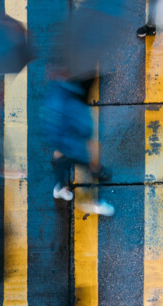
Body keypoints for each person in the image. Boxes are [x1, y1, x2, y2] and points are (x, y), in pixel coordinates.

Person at [42, 76, 115, 216]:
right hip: (74, 145)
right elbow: (84, 128)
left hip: (63, 142)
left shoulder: (58, 89)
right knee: (92, 167)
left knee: (62, 159)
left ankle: (58, 187)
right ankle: (94, 202)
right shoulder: (75, 101)